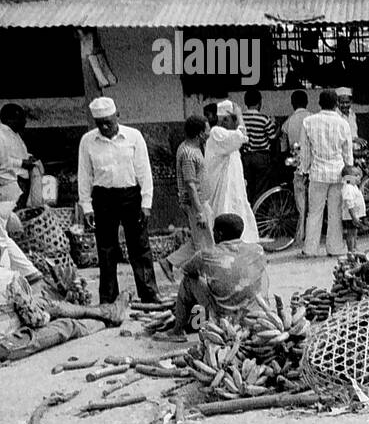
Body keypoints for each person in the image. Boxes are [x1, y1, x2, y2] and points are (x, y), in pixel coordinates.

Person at [77, 97, 160, 305]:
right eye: (100, 124)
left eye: (108, 122)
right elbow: (84, 174)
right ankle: (108, 297)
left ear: (117, 116)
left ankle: (149, 293)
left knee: (139, 247)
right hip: (103, 198)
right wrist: (86, 206)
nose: (105, 127)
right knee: (106, 249)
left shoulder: (134, 136)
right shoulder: (87, 141)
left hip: (131, 196)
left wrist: (146, 204)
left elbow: (144, 171)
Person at [0, 259, 131, 362]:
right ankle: (105, 319)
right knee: (66, 325)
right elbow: (36, 320)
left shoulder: (7, 277)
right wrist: (47, 315)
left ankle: (107, 314)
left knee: (45, 303)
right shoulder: (9, 278)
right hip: (7, 344)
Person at [164, 213, 268, 337]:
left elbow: (187, 271)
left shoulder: (206, 254)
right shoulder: (258, 250)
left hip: (225, 318)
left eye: (214, 232)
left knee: (188, 281)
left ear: (219, 234)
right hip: (254, 314)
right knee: (260, 274)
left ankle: (178, 332)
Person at [298, 89, 354, 257]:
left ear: (319, 103)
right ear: (336, 104)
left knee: (314, 212)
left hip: (317, 174)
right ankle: (335, 248)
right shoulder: (343, 123)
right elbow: (348, 153)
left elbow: (305, 151)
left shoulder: (308, 122)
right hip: (338, 173)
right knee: (335, 213)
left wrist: (304, 170)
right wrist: (349, 173)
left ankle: (310, 249)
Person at [161, 115, 214, 281]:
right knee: (205, 244)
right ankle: (201, 278)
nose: (210, 133)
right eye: (207, 130)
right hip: (196, 204)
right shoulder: (189, 154)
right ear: (200, 134)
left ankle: (169, 262)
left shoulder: (193, 148)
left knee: (200, 240)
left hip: (201, 201)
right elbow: (190, 185)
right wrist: (200, 212)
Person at [203, 101, 259, 244]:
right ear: (225, 120)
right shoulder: (217, 133)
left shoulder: (226, 136)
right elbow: (242, 136)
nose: (236, 124)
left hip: (234, 190)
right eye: (233, 120)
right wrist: (239, 116)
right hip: (223, 192)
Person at [279, 89, 311, 245]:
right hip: (312, 163)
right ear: (307, 102)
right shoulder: (312, 117)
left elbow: (283, 148)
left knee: (301, 202)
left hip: (296, 164)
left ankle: (301, 234)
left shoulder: (288, 122)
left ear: (292, 104)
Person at [0, 103, 35, 225]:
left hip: (20, 181)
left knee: (19, 216)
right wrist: (22, 163)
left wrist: (28, 157)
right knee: (11, 219)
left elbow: (17, 152)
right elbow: (2, 160)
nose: (24, 121)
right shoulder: (1, 135)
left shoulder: (13, 133)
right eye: (21, 118)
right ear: (10, 119)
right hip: (11, 182)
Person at [239, 88, 277, 200]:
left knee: (248, 185)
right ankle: (259, 207)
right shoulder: (264, 119)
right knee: (262, 186)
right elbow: (272, 137)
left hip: (246, 157)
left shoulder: (241, 119)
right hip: (261, 156)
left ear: (245, 102)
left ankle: (249, 206)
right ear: (260, 102)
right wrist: (277, 127)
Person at [340, 165, 366, 253]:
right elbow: (349, 204)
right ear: (347, 178)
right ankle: (351, 250)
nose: (359, 177)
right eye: (356, 175)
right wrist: (354, 217)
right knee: (350, 233)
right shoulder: (348, 188)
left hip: (355, 215)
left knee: (354, 232)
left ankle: (354, 248)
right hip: (350, 216)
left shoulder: (353, 186)